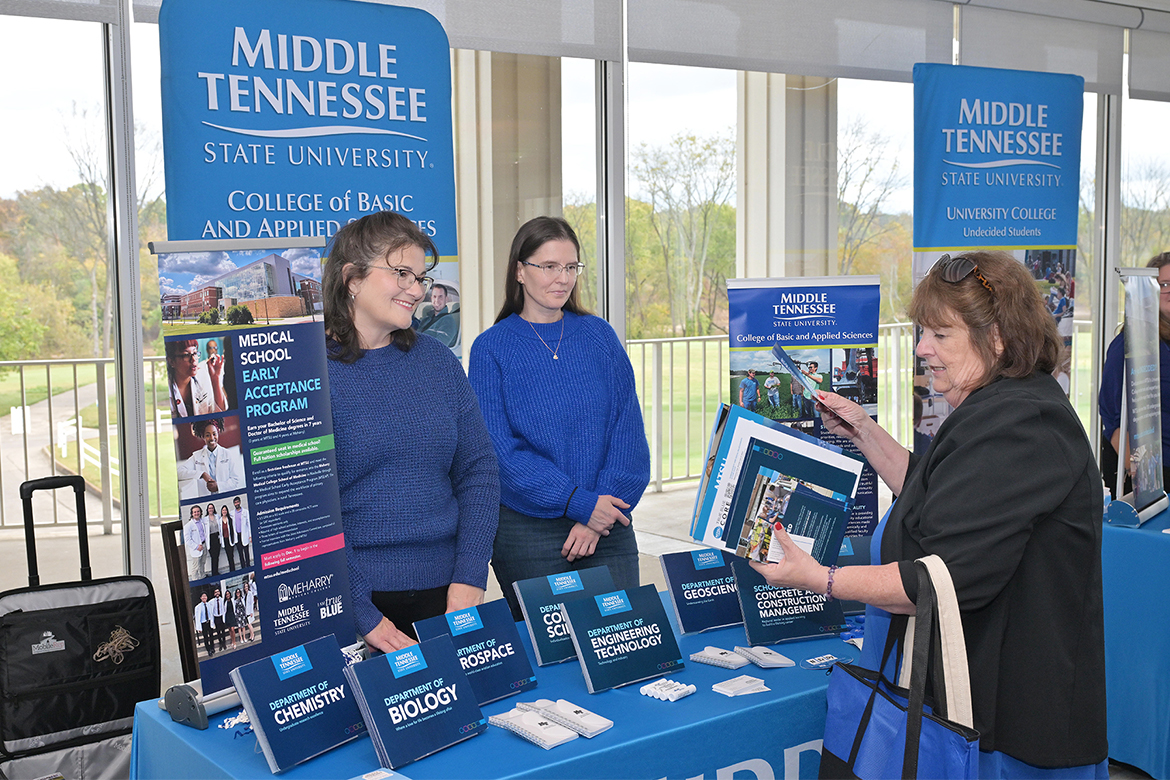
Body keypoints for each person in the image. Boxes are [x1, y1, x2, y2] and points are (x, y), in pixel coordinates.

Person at [749, 251, 1106, 777]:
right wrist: (864, 432)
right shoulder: (1000, 405)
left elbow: (946, 578)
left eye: (940, 335)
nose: (921, 349)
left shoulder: (1020, 423)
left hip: (1009, 725)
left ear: (998, 338)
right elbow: (942, 496)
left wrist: (819, 577)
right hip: (983, 703)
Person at [325, 210, 500, 652]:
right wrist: (360, 613)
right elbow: (303, 513)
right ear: (352, 278)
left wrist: (470, 575)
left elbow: (478, 472)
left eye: (421, 277)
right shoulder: (311, 374)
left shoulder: (438, 363)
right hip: (350, 607)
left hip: (448, 599)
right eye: (402, 273)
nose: (417, 289)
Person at [469, 216, 650, 622]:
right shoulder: (491, 349)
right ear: (520, 271)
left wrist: (595, 516)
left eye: (571, 267)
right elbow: (498, 451)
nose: (562, 278)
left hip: (608, 521)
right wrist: (578, 503)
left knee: (623, 641)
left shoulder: (600, 336)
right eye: (549, 266)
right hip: (528, 530)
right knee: (554, 658)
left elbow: (627, 434)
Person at [1099, 251, 1170, 493]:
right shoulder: (1130, 342)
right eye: (1164, 284)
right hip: (1148, 475)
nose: (1169, 290)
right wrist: (1137, 470)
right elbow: (1111, 414)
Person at [177, 418, 244, 498]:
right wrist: (202, 474)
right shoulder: (197, 456)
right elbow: (179, 472)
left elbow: (235, 481)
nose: (212, 438)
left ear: (218, 433)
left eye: (214, 434)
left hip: (225, 498)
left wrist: (218, 486)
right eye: (208, 435)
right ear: (203, 437)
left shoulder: (227, 454)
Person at [167, 339, 226, 418]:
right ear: (171, 362)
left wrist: (215, 379)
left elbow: (220, 412)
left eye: (195, 353)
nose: (193, 359)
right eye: (186, 355)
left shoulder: (203, 377)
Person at [183, 504, 209, 580]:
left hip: (204, 545)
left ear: (200, 512)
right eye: (194, 512)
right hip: (196, 548)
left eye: (198, 511)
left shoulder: (203, 522)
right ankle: (195, 580)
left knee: (202, 563)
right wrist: (197, 547)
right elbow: (188, 540)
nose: (196, 513)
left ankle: (202, 577)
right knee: (195, 567)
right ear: (192, 514)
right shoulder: (188, 525)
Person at [193, 592, 215, 657]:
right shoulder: (198, 607)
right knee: (206, 637)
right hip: (203, 624)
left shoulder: (209, 605)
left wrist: (212, 623)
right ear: (200, 598)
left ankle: (212, 647)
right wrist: (198, 628)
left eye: (205, 596)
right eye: (203, 596)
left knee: (211, 636)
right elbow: (197, 618)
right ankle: (208, 650)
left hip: (209, 622)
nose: (204, 597)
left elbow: (211, 614)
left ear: (207, 597)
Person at [232, 496, 251, 569]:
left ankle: (248, 565)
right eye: (235, 502)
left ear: (240, 502)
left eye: (237, 502)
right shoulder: (232, 513)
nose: (236, 504)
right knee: (240, 552)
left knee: (246, 551)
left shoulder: (245, 512)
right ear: (234, 504)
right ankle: (243, 566)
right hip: (237, 535)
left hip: (244, 534)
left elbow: (248, 524)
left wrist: (250, 535)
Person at [218, 505, 237, 572]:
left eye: (225, 510)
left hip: (230, 539)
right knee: (228, 555)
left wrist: (235, 539)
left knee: (231, 555)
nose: (224, 511)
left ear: (227, 511)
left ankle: (233, 569)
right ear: (221, 511)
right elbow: (220, 532)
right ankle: (231, 569)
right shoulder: (220, 520)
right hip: (225, 540)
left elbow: (234, 529)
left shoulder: (230, 519)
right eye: (223, 510)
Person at [205, 503, 221, 576]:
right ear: (207, 510)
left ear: (213, 509)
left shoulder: (217, 517)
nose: (210, 509)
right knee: (213, 556)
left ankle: (216, 571)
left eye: (212, 508)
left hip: (217, 538)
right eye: (209, 508)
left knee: (217, 556)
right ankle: (213, 572)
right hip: (210, 539)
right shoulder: (205, 519)